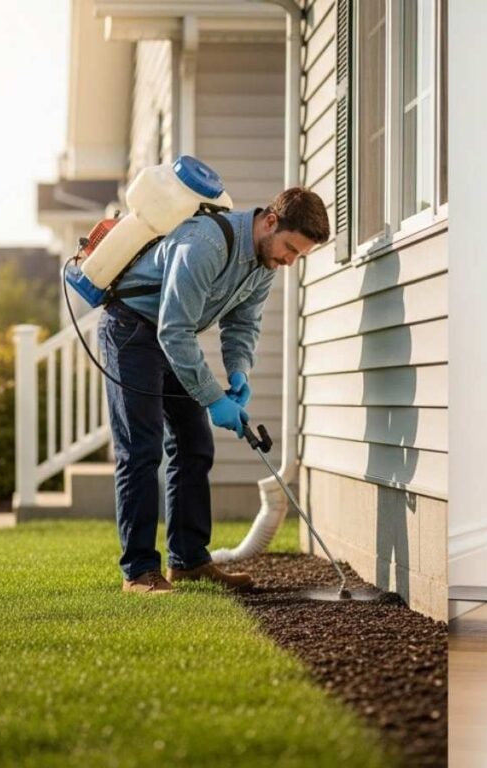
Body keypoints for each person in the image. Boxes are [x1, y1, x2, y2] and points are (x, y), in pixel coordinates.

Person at [98, 187, 329, 594]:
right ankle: (138, 571)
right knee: (142, 448)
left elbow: (242, 326)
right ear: (270, 222)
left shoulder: (264, 264)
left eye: (298, 257)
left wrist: (238, 375)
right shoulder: (204, 244)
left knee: (194, 444)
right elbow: (174, 329)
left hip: (169, 338)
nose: (289, 261)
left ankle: (188, 561)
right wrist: (212, 397)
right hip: (131, 330)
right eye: (290, 248)